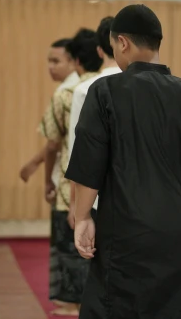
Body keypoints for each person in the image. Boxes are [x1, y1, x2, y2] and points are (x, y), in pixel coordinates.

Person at [65, 4, 181, 319]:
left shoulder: (106, 91)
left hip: (129, 237)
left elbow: (89, 162)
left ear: (121, 43)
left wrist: (83, 218)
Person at [39, 29, 103, 316]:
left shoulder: (69, 94)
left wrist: (45, 179)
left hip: (72, 181)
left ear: (76, 60)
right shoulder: (113, 86)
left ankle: (73, 300)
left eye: (56, 61)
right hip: (107, 182)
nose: (51, 67)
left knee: (71, 242)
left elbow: (57, 142)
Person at [66, 16, 120, 226]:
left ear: (100, 50)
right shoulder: (145, 88)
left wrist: (75, 206)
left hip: (96, 199)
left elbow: (77, 151)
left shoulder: (84, 90)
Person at [19, 38, 78, 184]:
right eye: (49, 62)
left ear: (73, 62)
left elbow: (54, 142)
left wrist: (34, 163)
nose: (50, 67)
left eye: (56, 61)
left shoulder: (66, 93)